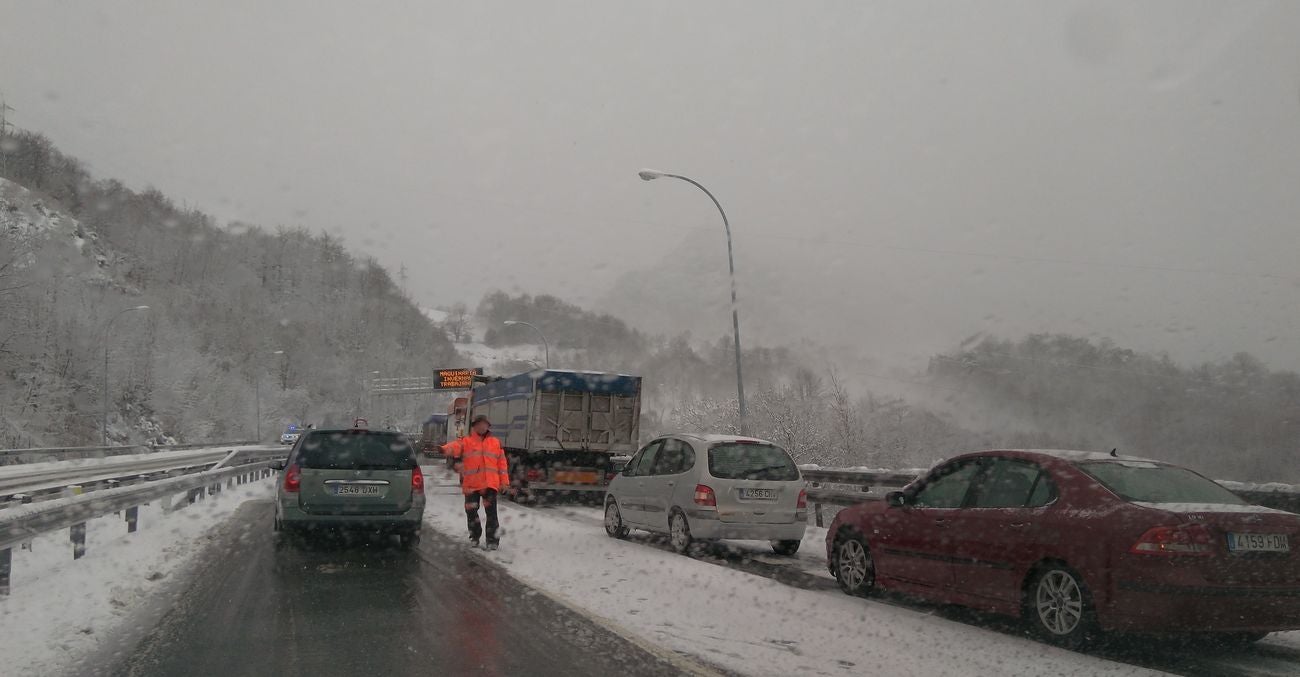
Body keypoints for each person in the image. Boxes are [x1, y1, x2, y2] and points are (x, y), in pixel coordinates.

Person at [440, 414, 510, 550]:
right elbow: (455, 446)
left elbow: (502, 465)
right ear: (474, 426)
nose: (482, 426)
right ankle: (475, 536)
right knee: (471, 512)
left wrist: (504, 482)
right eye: (479, 424)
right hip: (471, 484)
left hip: (489, 484)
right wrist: (444, 449)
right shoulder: (467, 441)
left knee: (492, 514)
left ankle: (492, 541)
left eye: (484, 424)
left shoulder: (495, 443)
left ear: (488, 426)